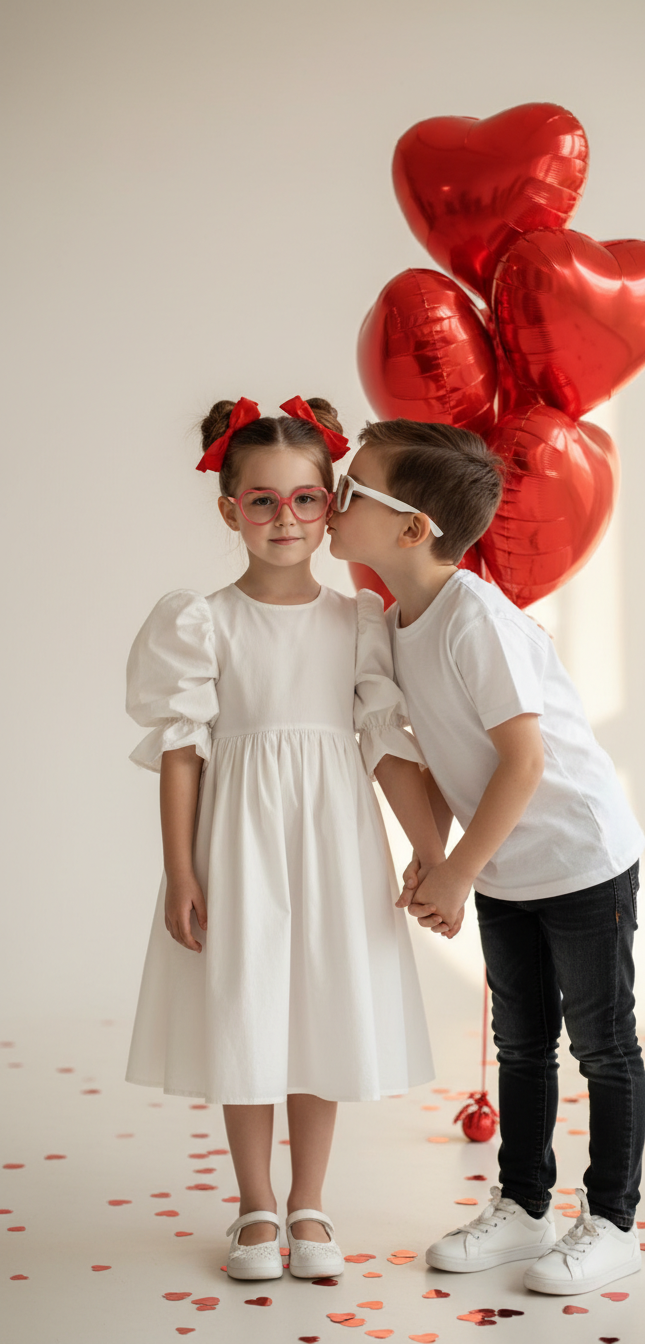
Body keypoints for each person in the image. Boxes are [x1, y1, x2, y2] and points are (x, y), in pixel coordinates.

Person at [327, 417, 645, 1296]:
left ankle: (614, 1222)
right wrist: (440, 861)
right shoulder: (395, 624)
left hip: (581, 860)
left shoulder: (474, 617)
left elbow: (525, 759)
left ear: (411, 528)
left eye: (353, 490)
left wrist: (458, 869)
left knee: (603, 1045)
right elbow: (414, 759)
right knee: (520, 1043)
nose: (335, 502)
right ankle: (525, 1204)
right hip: (505, 867)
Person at [125, 396, 441, 1283]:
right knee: (248, 1007)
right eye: (261, 501)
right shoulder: (202, 621)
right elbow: (183, 752)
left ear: (331, 503)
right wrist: (179, 868)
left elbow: (383, 747)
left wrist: (437, 853)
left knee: (320, 1007)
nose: (285, 519)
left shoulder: (357, 622)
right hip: (242, 843)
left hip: (331, 840)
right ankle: (255, 1203)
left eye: (305, 500)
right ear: (230, 510)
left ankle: (310, 1201)